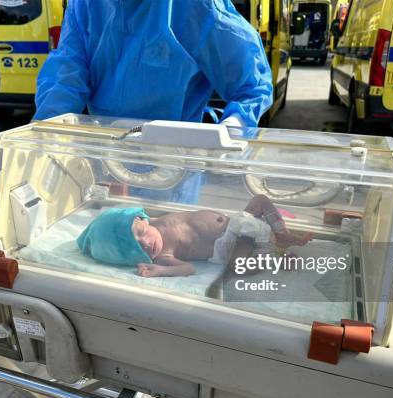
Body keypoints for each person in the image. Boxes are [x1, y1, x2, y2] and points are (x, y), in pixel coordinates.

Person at [34, 0, 272, 203]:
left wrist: (230, 130)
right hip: (103, 162)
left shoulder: (193, 6)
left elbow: (251, 86)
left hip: (172, 170)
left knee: (165, 242)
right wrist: (43, 136)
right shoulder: (86, 4)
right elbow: (66, 75)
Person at [77, 195, 311, 278]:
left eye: (140, 233)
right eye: (139, 249)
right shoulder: (161, 256)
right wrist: (162, 271)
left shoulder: (156, 218)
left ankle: (282, 234)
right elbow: (188, 269)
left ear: (141, 218)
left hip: (238, 221)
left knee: (260, 199)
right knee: (239, 267)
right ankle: (278, 259)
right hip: (231, 246)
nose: (147, 243)